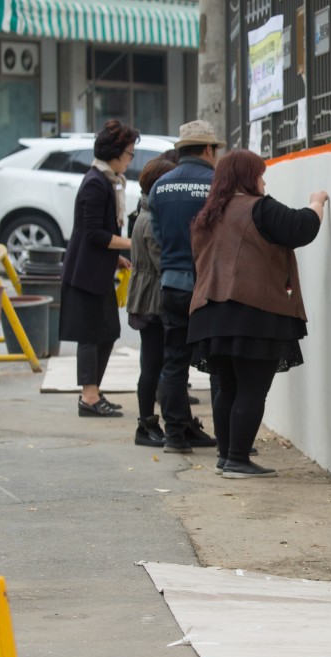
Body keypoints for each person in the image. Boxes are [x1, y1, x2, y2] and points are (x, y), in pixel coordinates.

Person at [188, 150, 328, 478]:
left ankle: (226, 457)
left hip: (210, 314)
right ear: (247, 177)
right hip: (251, 313)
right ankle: (237, 458)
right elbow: (301, 228)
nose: (264, 181)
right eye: (260, 174)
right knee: (252, 389)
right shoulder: (257, 208)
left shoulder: (207, 215)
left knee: (228, 387)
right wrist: (317, 202)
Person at [149, 120, 221, 453]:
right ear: (209, 149)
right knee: (221, 362)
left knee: (174, 362)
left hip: (172, 284)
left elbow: (159, 238)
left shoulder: (159, 186)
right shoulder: (217, 184)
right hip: (209, 286)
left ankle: (174, 436)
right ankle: (229, 443)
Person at [59, 120, 138, 418]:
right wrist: (130, 243)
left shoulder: (107, 181)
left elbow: (96, 232)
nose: (131, 159)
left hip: (98, 270)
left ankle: (93, 392)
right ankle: (89, 397)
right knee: (91, 334)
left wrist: (117, 255)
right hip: (85, 273)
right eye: (129, 153)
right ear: (115, 153)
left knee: (107, 331)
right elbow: (92, 233)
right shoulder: (96, 182)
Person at [125, 157, 177, 446]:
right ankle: (146, 425)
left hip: (148, 297)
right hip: (152, 300)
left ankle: (156, 424)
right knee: (153, 365)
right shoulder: (150, 220)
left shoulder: (145, 211)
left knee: (156, 363)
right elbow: (163, 262)